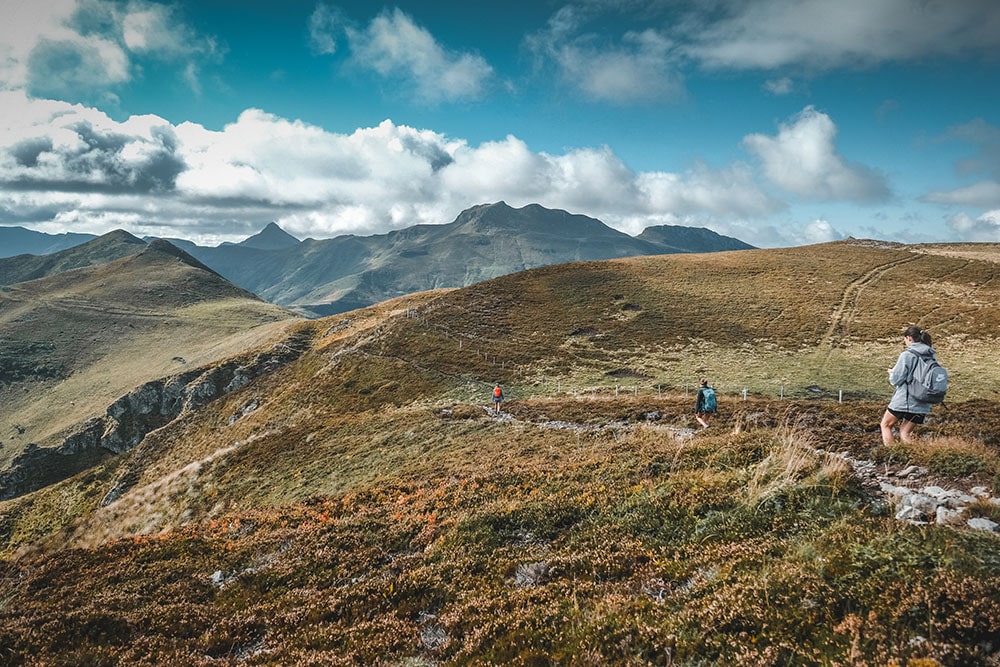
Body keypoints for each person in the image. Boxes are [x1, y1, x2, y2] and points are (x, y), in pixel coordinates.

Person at [880, 325, 937, 446]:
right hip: (923, 402)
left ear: (909, 338)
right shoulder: (932, 356)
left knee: (885, 425)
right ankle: (912, 458)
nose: (905, 342)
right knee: (905, 433)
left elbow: (897, 379)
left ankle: (892, 455)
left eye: (905, 339)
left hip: (905, 400)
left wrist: (892, 373)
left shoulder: (907, 355)